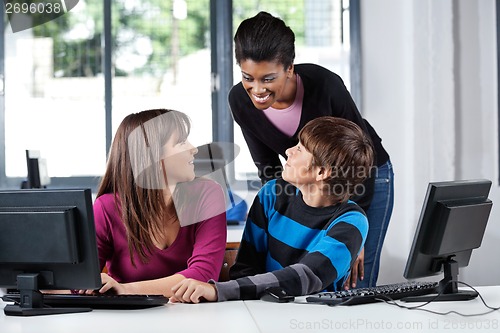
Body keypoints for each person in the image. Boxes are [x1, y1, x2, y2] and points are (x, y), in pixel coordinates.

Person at [228, 11, 394, 288]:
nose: (256, 89)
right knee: (295, 271)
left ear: (290, 68)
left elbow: (358, 156)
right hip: (311, 180)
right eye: (248, 77)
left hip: (366, 175)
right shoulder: (240, 101)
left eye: (268, 79)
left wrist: (356, 238)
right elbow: (268, 168)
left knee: (353, 279)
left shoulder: (324, 85)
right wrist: (278, 213)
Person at [169, 116, 374, 303]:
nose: (288, 151)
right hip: (261, 307)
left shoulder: (352, 221)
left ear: (321, 172)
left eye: (300, 149)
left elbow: (306, 277)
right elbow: (246, 267)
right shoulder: (272, 194)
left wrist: (218, 291)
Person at [91, 109, 227, 297]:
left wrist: (125, 289)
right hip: (127, 321)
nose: (194, 148)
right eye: (181, 142)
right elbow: (80, 282)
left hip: (194, 319)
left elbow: (203, 276)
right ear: (151, 155)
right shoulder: (106, 208)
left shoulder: (207, 194)